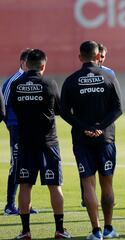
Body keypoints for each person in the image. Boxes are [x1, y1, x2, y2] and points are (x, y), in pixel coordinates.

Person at [61, 41, 122, 239]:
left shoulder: (71, 80)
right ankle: (109, 228)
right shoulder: (109, 76)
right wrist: (101, 127)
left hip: (81, 139)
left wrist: (85, 127)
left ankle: (96, 231)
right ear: (98, 57)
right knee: (107, 184)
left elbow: (64, 112)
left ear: (80, 57)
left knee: (88, 184)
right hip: (106, 139)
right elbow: (118, 109)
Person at [9, 49, 71, 239]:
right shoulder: (49, 83)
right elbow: (60, 109)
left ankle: (25, 231)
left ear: (26, 64)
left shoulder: (16, 85)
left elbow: (15, 109)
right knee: (55, 185)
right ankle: (60, 230)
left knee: (25, 185)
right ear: (43, 65)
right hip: (48, 143)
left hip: (25, 143)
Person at [79, 42, 116, 208]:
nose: (100, 59)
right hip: (87, 131)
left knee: (106, 174)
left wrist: (102, 126)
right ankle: (86, 197)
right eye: (99, 56)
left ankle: (105, 199)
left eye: (103, 57)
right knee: (87, 170)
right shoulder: (82, 76)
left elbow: (114, 105)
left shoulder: (109, 74)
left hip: (105, 131)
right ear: (95, 56)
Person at [2, 49, 39, 216]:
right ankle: (10, 205)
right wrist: (11, 126)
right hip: (17, 130)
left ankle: (26, 204)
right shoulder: (12, 82)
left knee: (29, 165)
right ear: (23, 62)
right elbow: (2, 107)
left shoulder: (33, 80)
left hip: (31, 130)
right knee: (16, 165)